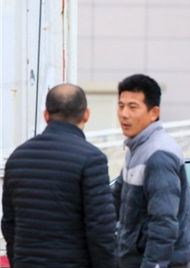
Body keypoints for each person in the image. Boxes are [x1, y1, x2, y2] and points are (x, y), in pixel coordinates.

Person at [1, 84, 116, 268]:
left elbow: (8, 224)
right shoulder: (91, 158)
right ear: (86, 114)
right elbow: (100, 229)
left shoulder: (17, 158)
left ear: (46, 115)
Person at [114, 74, 190, 268]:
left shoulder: (158, 155)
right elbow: (115, 200)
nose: (124, 114)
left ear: (154, 112)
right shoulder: (137, 148)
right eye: (121, 105)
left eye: (133, 107)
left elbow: (164, 223)